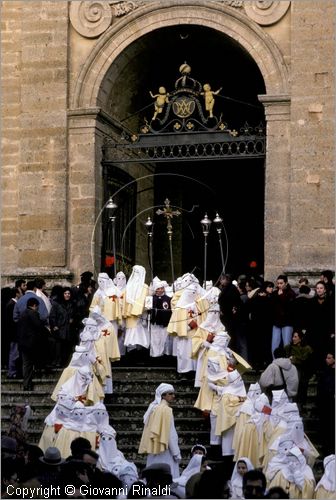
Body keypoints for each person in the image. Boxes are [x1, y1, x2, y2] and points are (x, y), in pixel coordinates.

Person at [138, 383, 181, 478]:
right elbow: (170, 434)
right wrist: (176, 453)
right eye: (170, 394)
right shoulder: (166, 410)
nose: (173, 396)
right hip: (165, 451)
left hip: (154, 450)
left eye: (173, 394)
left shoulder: (153, 409)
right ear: (163, 395)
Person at [16, 297, 50, 391]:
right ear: (34, 305)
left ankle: (26, 384)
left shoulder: (22, 314)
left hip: (22, 343)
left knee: (26, 364)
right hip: (31, 344)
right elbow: (38, 326)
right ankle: (28, 384)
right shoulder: (33, 313)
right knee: (29, 364)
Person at [284, 330, 313, 408]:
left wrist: (295, 359)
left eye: (295, 337)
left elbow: (304, 360)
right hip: (291, 371)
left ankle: (300, 405)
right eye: (293, 337)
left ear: (300, 338)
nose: (293, 339)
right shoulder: (288, 347)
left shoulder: (306, 348)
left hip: (303, 371)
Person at [49, 287, 76, 367]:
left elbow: (75, 314)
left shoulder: (73, 303)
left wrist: (73, 319)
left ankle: (65, 362)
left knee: (67, 346)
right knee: (59, 346)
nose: (67, 295)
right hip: (60, 328)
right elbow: (52, 316)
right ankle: (58, 362)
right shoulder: (57, 304)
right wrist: (54, 325)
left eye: (68, 294)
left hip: (69, 329)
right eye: (65, 293)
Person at [316, 350, 335, 456]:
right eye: (326, 358)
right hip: (325, 405)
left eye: (329, 358)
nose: (326, 360)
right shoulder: (325, 372)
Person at [149, 277, 172, 358]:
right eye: (158, 288)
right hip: (155, 322)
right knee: (155, 338)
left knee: (164, 338)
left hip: (164, 322)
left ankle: (163, 353)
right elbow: (148, 309)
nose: (160, 290)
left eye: (162, 288)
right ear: (155, 290)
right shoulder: (151, 298)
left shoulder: (168, 299)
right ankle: (155, 353)